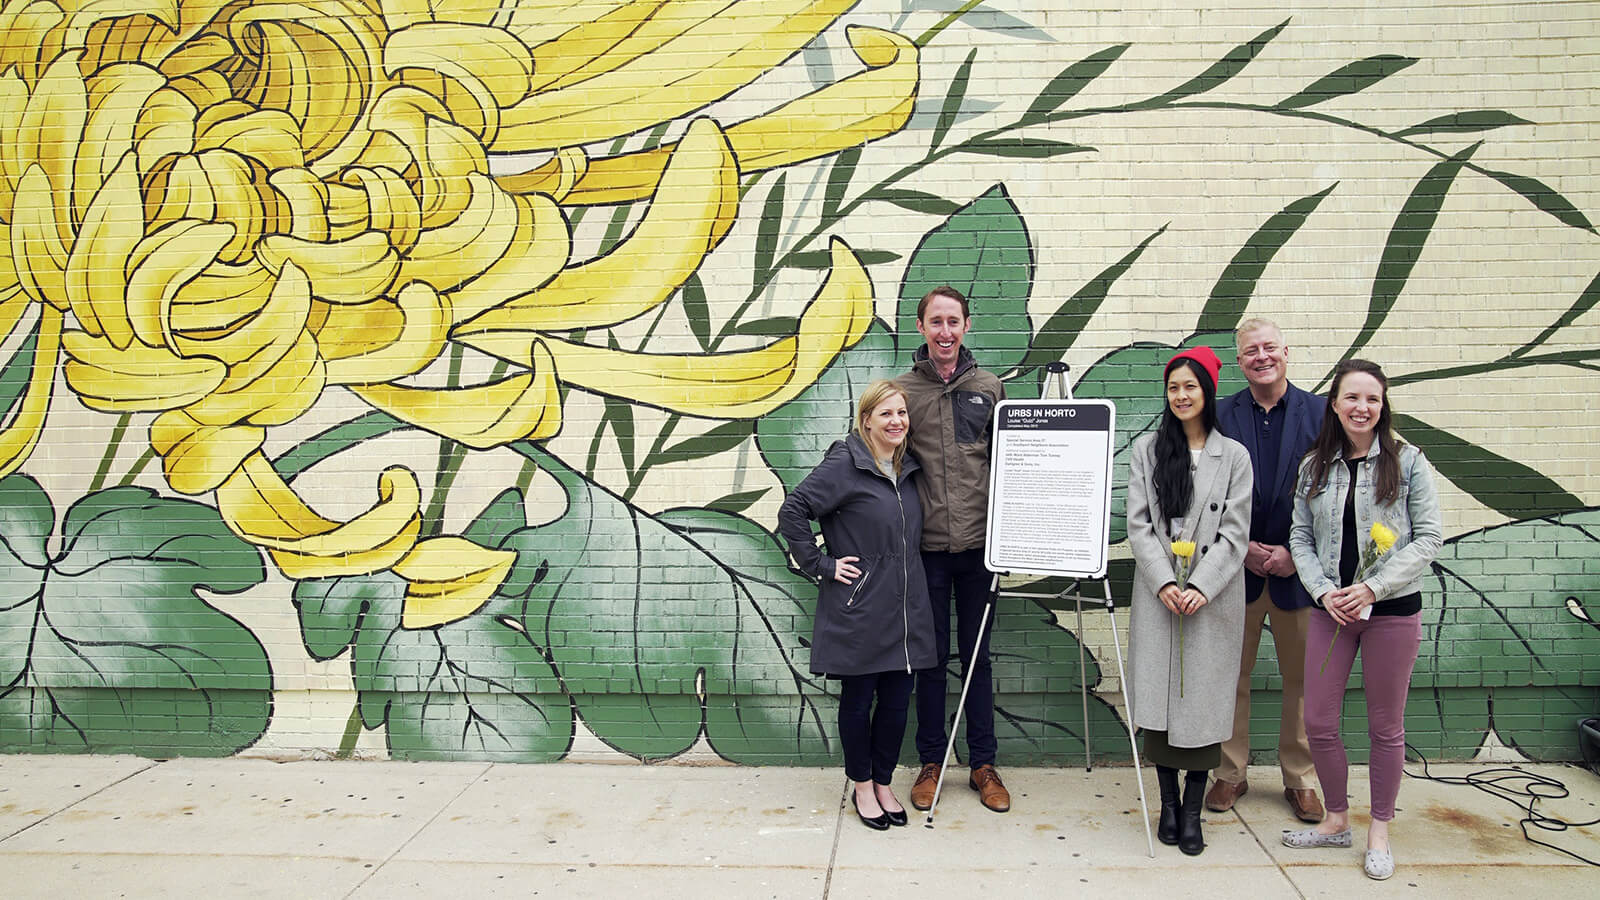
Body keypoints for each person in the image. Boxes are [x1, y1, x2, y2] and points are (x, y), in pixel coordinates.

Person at [1282, 359, 1442, 880]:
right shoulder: (1315, 466)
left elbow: (1429, 538)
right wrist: (1325, 591)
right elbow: (1300, 537)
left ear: (1383, 405)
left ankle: (1378, 829)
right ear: (1335, 403)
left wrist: (1373, 586)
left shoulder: (1409, 461)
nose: (1362, 408)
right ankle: (1335, 820)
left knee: (1385, 728)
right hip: (1333, 613)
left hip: (1392, 613)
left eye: (1372, 399)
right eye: (1352, 397)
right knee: (1320, 722)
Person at [777, 380, 938, 831]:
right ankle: (861, 784)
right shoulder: (845, 463)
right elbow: (794, 509)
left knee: (895, 701)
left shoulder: (905, 466)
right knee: (859, 698)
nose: (896, 422)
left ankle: (884, 782)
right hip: (862, 604)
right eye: (886, 414)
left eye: (902, 413)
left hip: (905, 606)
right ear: (866, 418)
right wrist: (820, 564)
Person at [1126, 346, 1252, 856]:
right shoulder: (1148, 451)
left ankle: (1194, 810)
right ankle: (1168, 804)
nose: (1181, 395)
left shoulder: (1234, 456)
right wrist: (1165, 582)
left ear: (1208, 392)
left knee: (1202, 704)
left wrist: (1199, 585)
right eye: (1174, 387)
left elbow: (1235, 533)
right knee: (1158, 702)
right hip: (1160, 596)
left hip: (1211, 599)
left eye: (1190, 387)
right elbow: (1139, 525)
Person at [894, 286, 1010, 814]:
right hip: (928, 552)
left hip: (981, 550)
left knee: (979, 659)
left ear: (967, 326)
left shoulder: (989, 387)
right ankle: (932, 761)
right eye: (935, 322)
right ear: (921, 327)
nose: (945, 331)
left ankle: (983, 765)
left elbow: (1012, 464)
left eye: (953, 321)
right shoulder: (903, 392)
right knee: (932, 661)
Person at [1208, 318, 1326, 823]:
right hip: (1236, 570)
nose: (1261, 357)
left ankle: (1300, 779)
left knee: (1304, 681)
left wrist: (1293, 555)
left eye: (1269, 348)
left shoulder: (1322, 414)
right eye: (1251, 351)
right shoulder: (1218, 415)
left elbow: (1335, 499)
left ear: (1286, 352)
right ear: (1239, 362)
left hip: (1300, 574)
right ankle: (1229, 774)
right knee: (1230, 676)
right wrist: (1242, 548)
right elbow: (1205, 492)